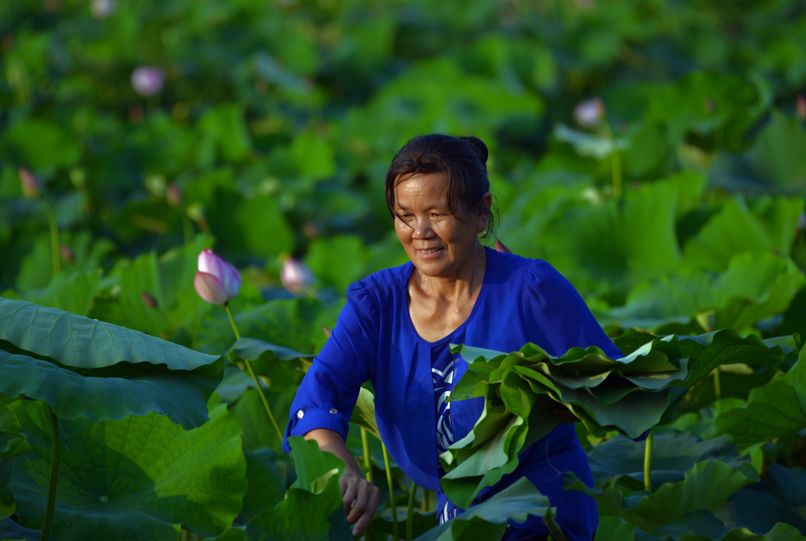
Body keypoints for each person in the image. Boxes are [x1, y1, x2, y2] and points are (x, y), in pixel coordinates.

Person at [284, 134, 620, 540]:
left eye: (437, 213)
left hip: (543, 511)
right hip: (455, 520)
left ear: (482, 214)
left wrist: (544, 393)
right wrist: (344, 471)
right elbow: (317, 399)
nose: (420, 232)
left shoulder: (531, 288)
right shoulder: (376, 303)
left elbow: (617, 388)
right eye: (405, 215)